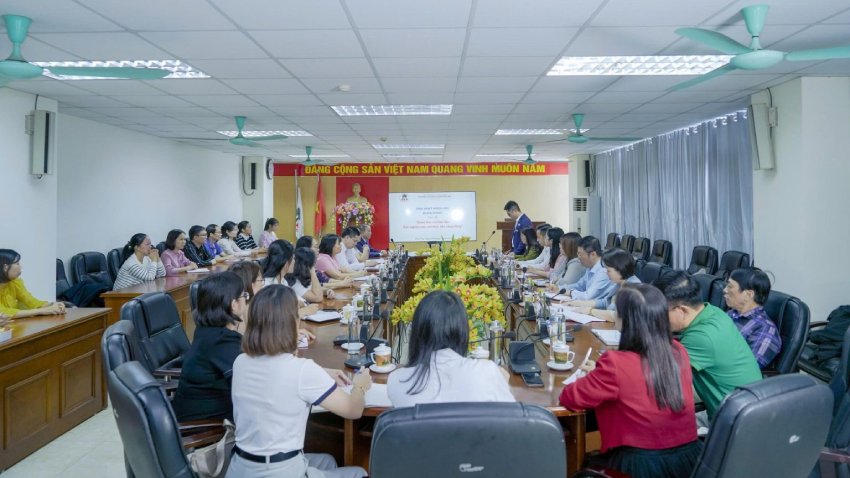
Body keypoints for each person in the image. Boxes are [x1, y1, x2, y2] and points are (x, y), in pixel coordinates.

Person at [227, 285, 370, 478]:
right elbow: (353, 410)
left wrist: (320, 372)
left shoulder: (239, 362)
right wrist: (360, 384)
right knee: (358, 473)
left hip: (240, 468)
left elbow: (275, 377)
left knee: (327, 460)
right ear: (292, 322)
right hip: (280, 472)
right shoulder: (301, 370)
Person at [560, 284, 700, 478]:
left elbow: (569, 398)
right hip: (688, 462)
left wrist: (591, 376)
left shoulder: (615, 363)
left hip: (639, 465)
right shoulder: (678, 351)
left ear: (626, 320)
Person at [655, 271, 762, 421]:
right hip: (745, 408)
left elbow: (658, 374)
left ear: (682, 310)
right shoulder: (713, 311)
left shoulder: (701, 338)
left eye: (660, 312)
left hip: (733, 423)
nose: (657, 317)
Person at [387, 290, 515, 407]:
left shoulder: (397, 380)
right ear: (463, 331)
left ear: (417, 332)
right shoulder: (487, 372)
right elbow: (510, 420)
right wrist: (501, 383)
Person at [172, 272, 248, 422]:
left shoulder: (207, 331)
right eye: (244, 296)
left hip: (202, 413)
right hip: (204, 427)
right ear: (233, 305)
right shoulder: (221, 341)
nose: (247, 299)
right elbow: (248, 384)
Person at [724, 268, 781, 369]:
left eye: (730, 286)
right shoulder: (731, 314)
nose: (725, 290)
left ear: (748, 295)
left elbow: (748, 369)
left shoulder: (765, 329)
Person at [568, 248, 640, 322]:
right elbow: (606, 302)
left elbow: (618, 316)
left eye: (608, 270)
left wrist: (591, 311)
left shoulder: (634, 288)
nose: (606, 273)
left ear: (620, 269)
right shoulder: (620, 282)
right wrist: (581, 303)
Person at [262, 240, 321, 320]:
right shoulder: (266, 285)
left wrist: (297, 305)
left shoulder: (283, 281)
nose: (294, 262)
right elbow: (275, 317)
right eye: (293, 259)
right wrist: (301, 311)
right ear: (286, 263)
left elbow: (301, 302)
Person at [0, 249, 65, 317]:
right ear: (5, 267)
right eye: (17, 264)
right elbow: (3, 312)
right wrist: (42, 311)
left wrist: (52, 305)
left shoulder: (15, 283)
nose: (21, 267)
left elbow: (30, 301)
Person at [551, 235, 616, 302]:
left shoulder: (603, 271)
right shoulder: (590, 267)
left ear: (593, 255)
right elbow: (579, 286)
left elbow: (588, 296)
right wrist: (559, 288)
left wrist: (570, 292)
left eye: (580, 254)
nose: (578, 257)